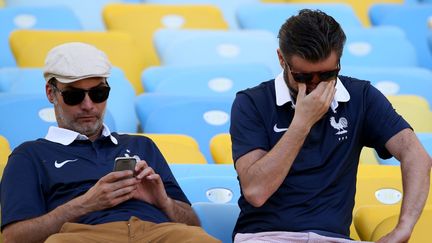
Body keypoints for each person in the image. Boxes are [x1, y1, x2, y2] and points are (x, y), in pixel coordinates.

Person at [230, 9, 431, 243]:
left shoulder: (361, 96)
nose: (316, 86)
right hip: (266, 236)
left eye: (327, 75)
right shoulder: (252, 102)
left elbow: (415, 154)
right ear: (281, 59)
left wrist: (403, 228)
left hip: (333, 238)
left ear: (339, 63)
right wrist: (302, 123)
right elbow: (256, 192)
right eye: (304, 77)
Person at [0, 42, 220, 243]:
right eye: (74, 96)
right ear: (51, 93)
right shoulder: (29, 155)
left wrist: (163, 200)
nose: (88, 105)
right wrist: (85, 203)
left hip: (158, 233)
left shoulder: (142, 145)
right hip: (82, 237)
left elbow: (193, 223)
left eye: (98, 93)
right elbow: (13, 237)